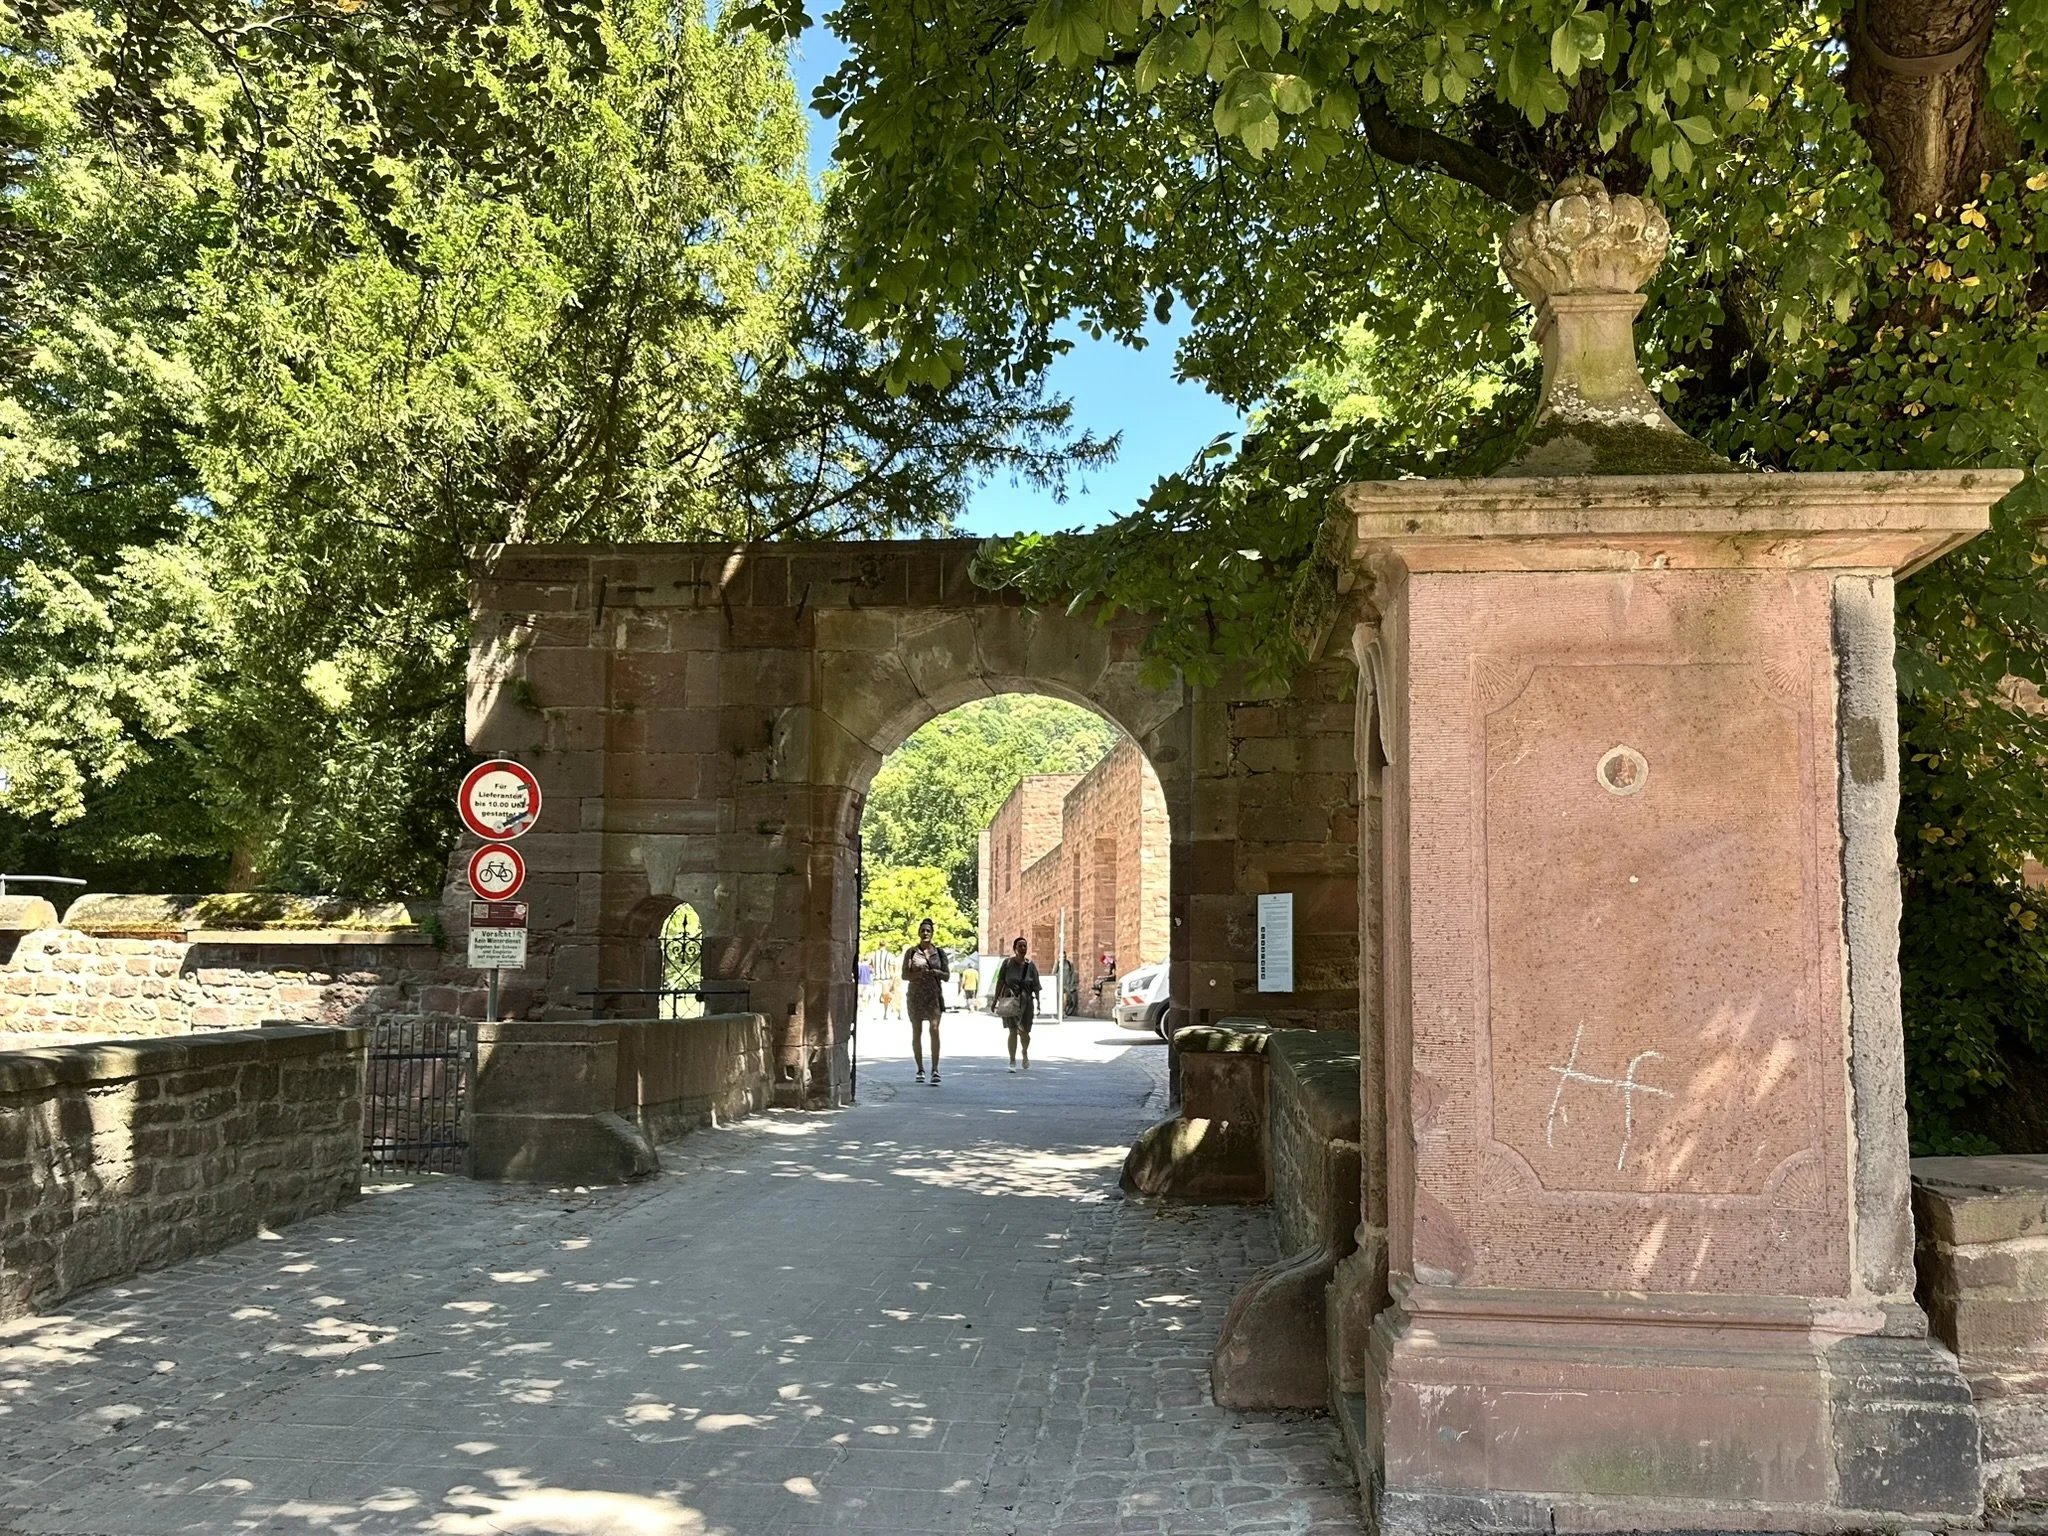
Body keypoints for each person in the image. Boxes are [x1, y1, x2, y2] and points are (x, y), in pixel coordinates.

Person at [902, 917, 950, 1084]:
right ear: (918, 933)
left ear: (932, 933)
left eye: (928, 931)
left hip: (934, 996)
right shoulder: (911, 952)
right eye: (922, 930)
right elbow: (904, 975)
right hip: (916, 996)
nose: (925, 933)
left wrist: (937, 972)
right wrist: (919, 975)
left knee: (934, 1029)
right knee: (917, 1031)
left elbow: (947, 975)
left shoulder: (940, 953)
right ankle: (920, 1068)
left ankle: (935, 1069)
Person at [992, 934, 1042, 1073]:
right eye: (1020, 946)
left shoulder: (1030, 965)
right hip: (1010, 1000)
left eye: (1025, 946)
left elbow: (1036, 985)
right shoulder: (1007, 964)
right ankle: (1012, 1060)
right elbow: (1000, 981)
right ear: (1015, 948)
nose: (1022, 948)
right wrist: (995, 1000)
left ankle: (1024, 1052)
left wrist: (1038, 1002)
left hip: (1026, 1002)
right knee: (1013, 1031)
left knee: (1025, 1032)